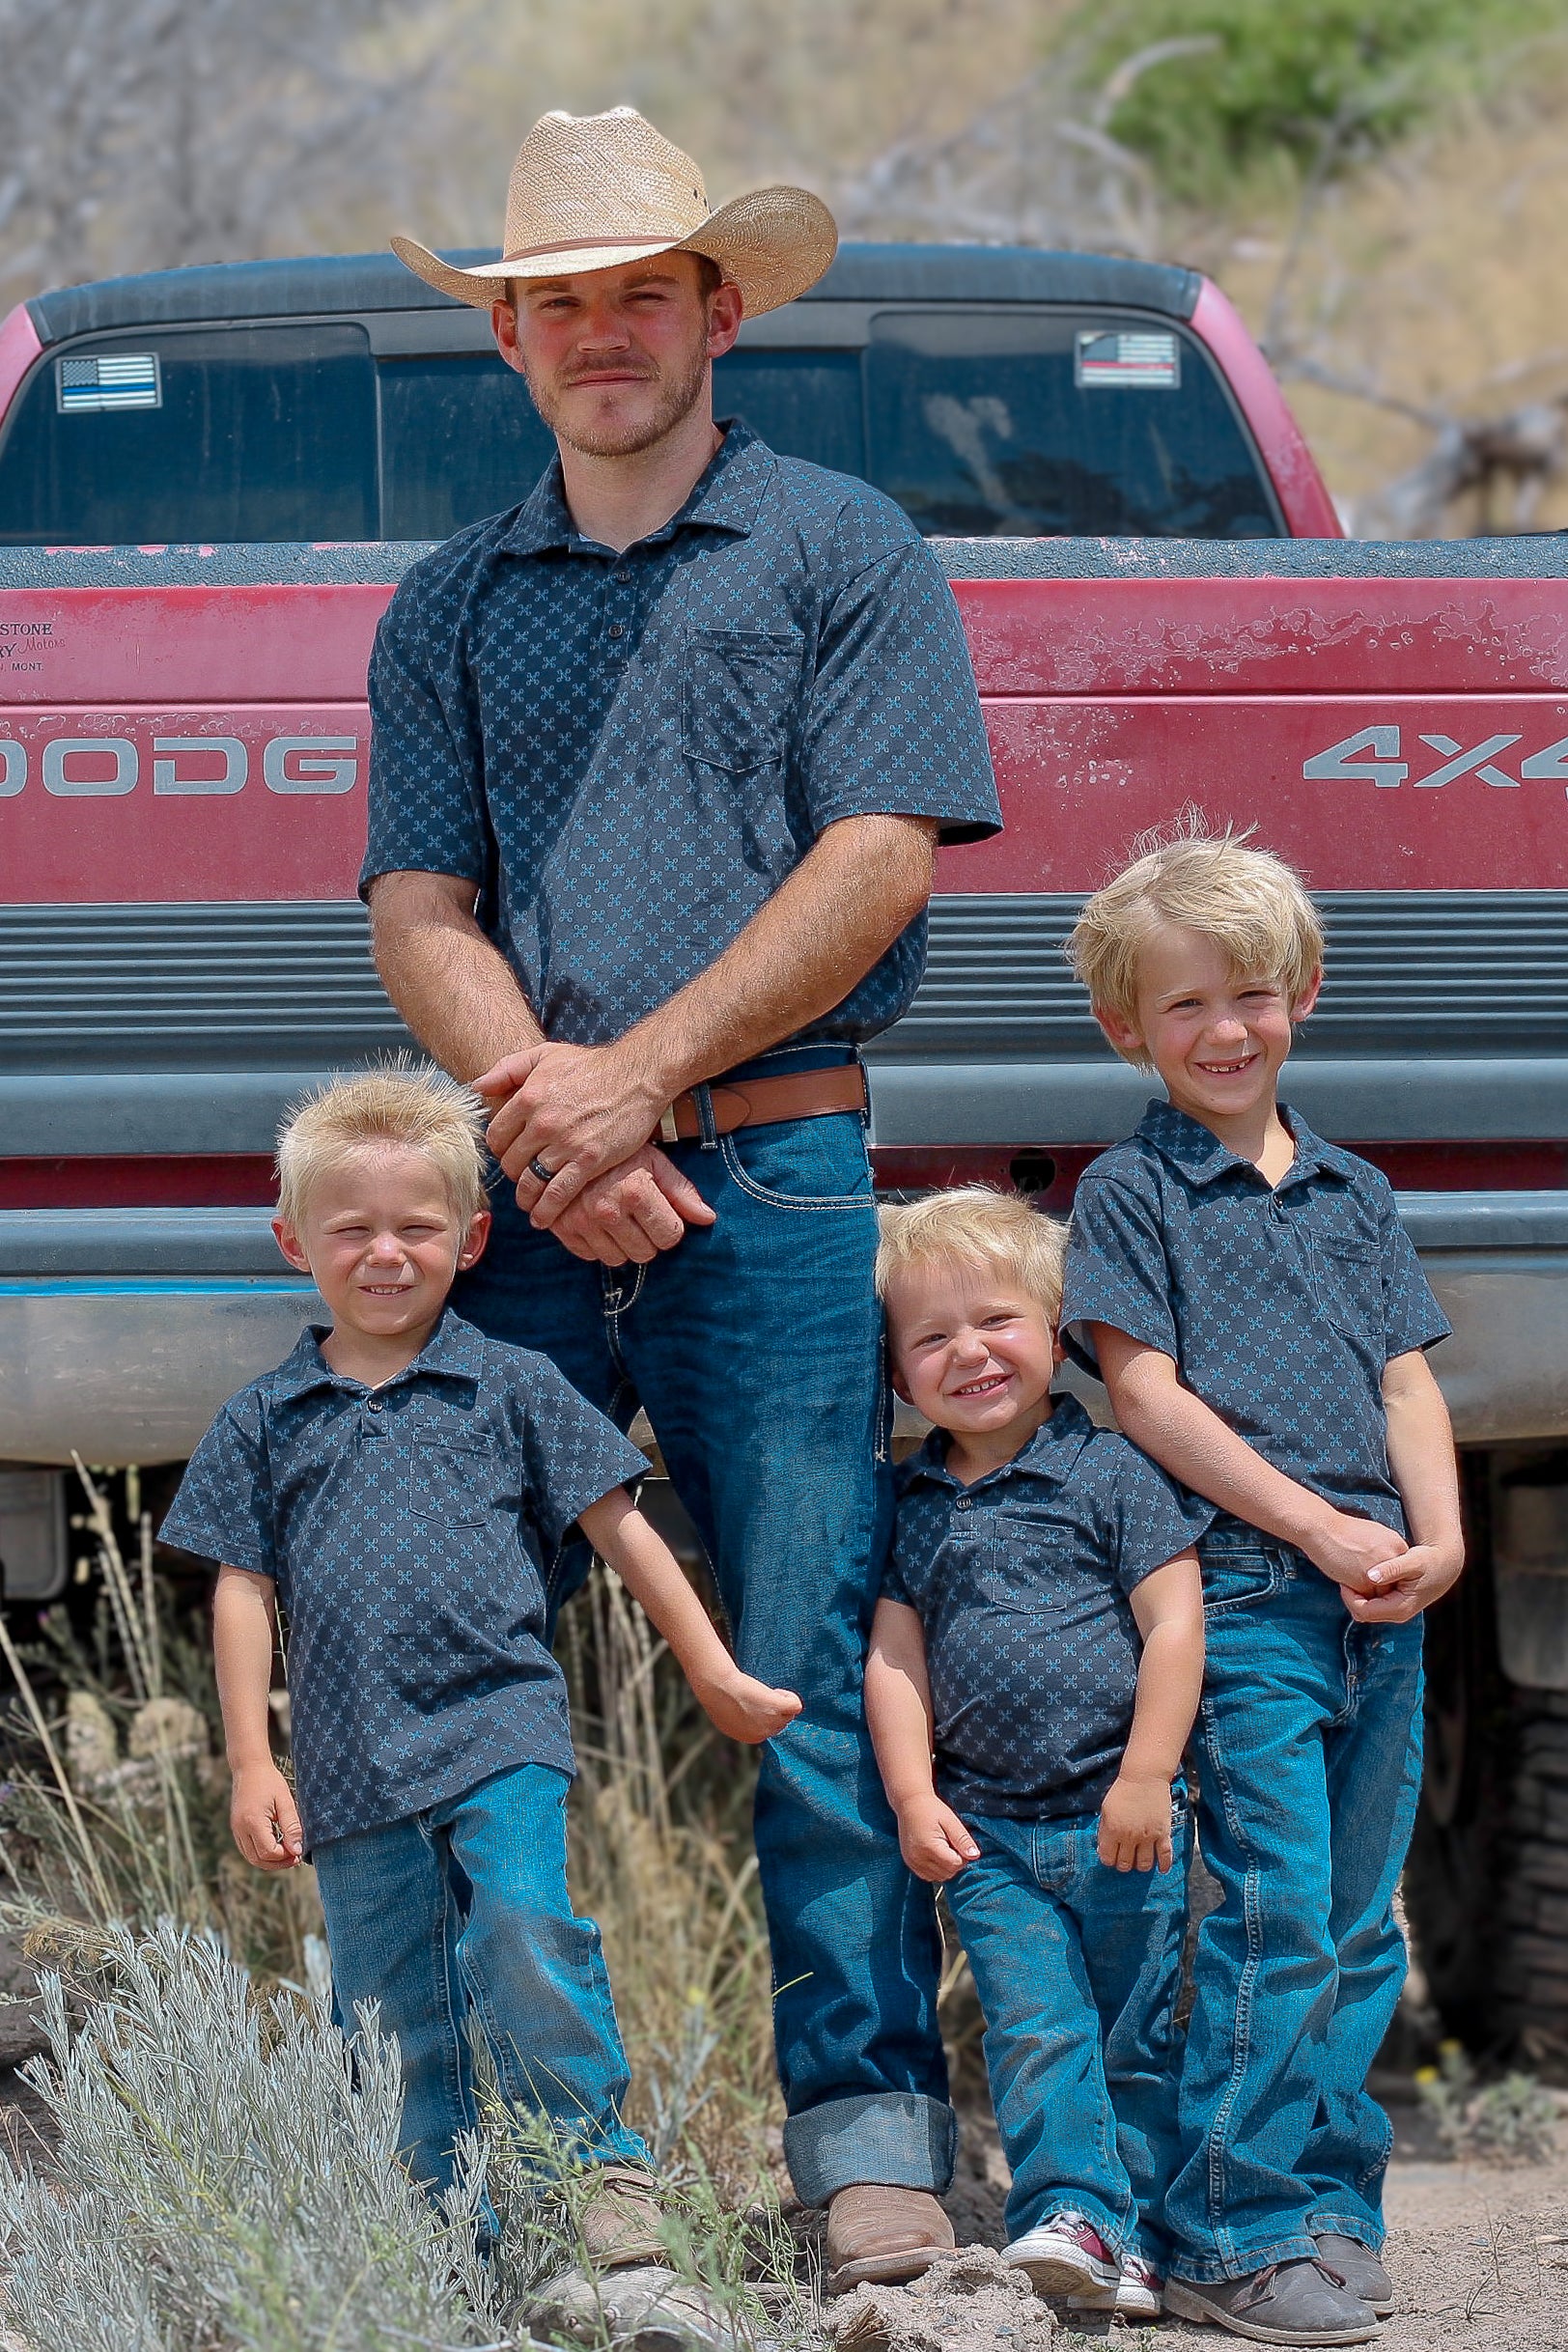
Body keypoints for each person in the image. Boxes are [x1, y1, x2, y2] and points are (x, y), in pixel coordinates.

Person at [364, 105, 1001, 2284]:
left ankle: (864, 2150)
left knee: (808, 1654)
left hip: (779, 1180)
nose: (601, 334)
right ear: (509, 342)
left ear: (720, 311)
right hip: (525, 1197)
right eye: (557, 304)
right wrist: (555, 1124)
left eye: (642, 292)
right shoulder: (450, 601)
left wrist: (633, 1086)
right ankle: (558, 2165)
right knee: (464, 1677)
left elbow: (877, 858)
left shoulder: (840, 547)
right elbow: (419, 905)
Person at [159, 1067, 800, 2244]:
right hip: (350, 1759)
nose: (386, 1253)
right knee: (388, 2003)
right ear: (294, 1243)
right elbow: (241, 1592)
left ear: (471, 1239)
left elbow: (622, 1528)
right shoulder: (264, 1417)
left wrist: (710, 1666)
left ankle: (594, 2179)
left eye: (417, 1227)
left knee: (520, 1929)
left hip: (499, 1726)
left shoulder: (514, 1385)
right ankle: (443, 2233)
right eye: (351, 1230)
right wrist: (253, 1761)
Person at [1059, 825, 1464, 2347]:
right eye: (1186, 1005)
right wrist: (1319, 1531)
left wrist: (1437, 1542)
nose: (1225, 1030)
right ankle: (1228, 2229)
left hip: (1380, 1605)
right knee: (1273, 1911)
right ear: (1128, 1028)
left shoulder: (1355, 1190)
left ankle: (1329, 2205)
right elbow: (1145, 1396)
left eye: (1251, 994)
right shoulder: (1131, 1191)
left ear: (1302, 993)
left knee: (1359, 1922)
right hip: (1244, 1593)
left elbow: (1407, 1385)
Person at [865, 1189, 1207, 2322]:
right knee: (1035, 2030)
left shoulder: (1112, 1473)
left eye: (996, 1320)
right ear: (897, 1372)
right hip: (991, 1835)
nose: (968, 1352)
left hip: (1123, 1819)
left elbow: (1174, 1624)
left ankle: (1146, 2237)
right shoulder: (910, 1501)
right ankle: (1072, 2214)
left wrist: (1146, 1776)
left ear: (1057, 1334)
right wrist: (911, 1795)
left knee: (1137, 2033)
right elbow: (896, 1660)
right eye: (931, 1337)